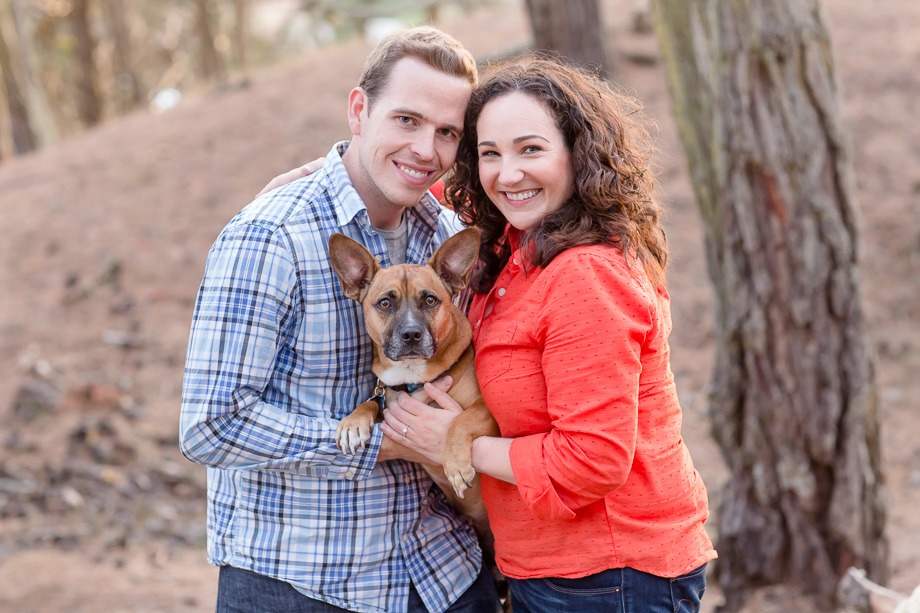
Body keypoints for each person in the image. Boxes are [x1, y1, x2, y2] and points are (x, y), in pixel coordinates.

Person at [179, 27, 502, 613]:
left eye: (447, 132)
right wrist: (383, 442)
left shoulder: (447, 234)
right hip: (303, 583)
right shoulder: (270, 235)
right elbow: (211, 426)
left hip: (444, 577)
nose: (426, 149)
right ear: (359, 110)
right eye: (406, 120)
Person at [377, 59, 718, 612]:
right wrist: (335, 174)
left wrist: (455, 444)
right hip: (550, 569)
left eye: (531, 149)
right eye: (490, 154)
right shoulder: (515, 252)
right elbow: (413, 180)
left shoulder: (585, 274)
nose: (508, 174)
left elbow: (592, 460)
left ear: (577, 154)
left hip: (611, 574)